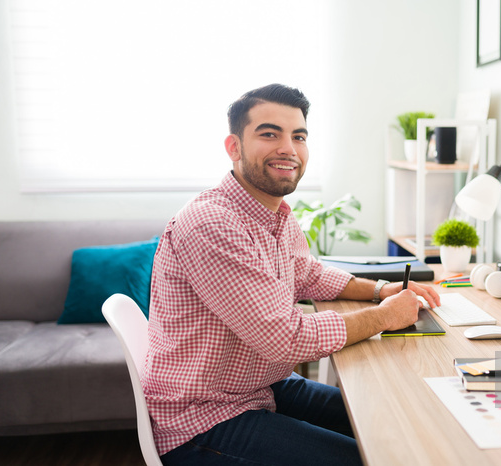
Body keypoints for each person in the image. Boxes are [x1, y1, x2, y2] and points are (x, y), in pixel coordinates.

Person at [144, 83, 441, 466]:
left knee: (399, 419)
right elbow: (284, 339)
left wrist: (381, 290)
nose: (288, 148)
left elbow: (309, 274)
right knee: (377, 456)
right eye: (269, 134)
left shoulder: (276, 214)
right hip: (205, 417)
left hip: (259, 386)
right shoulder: (212, 223)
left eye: (298, 136)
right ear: (233, 147)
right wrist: (386, 316)